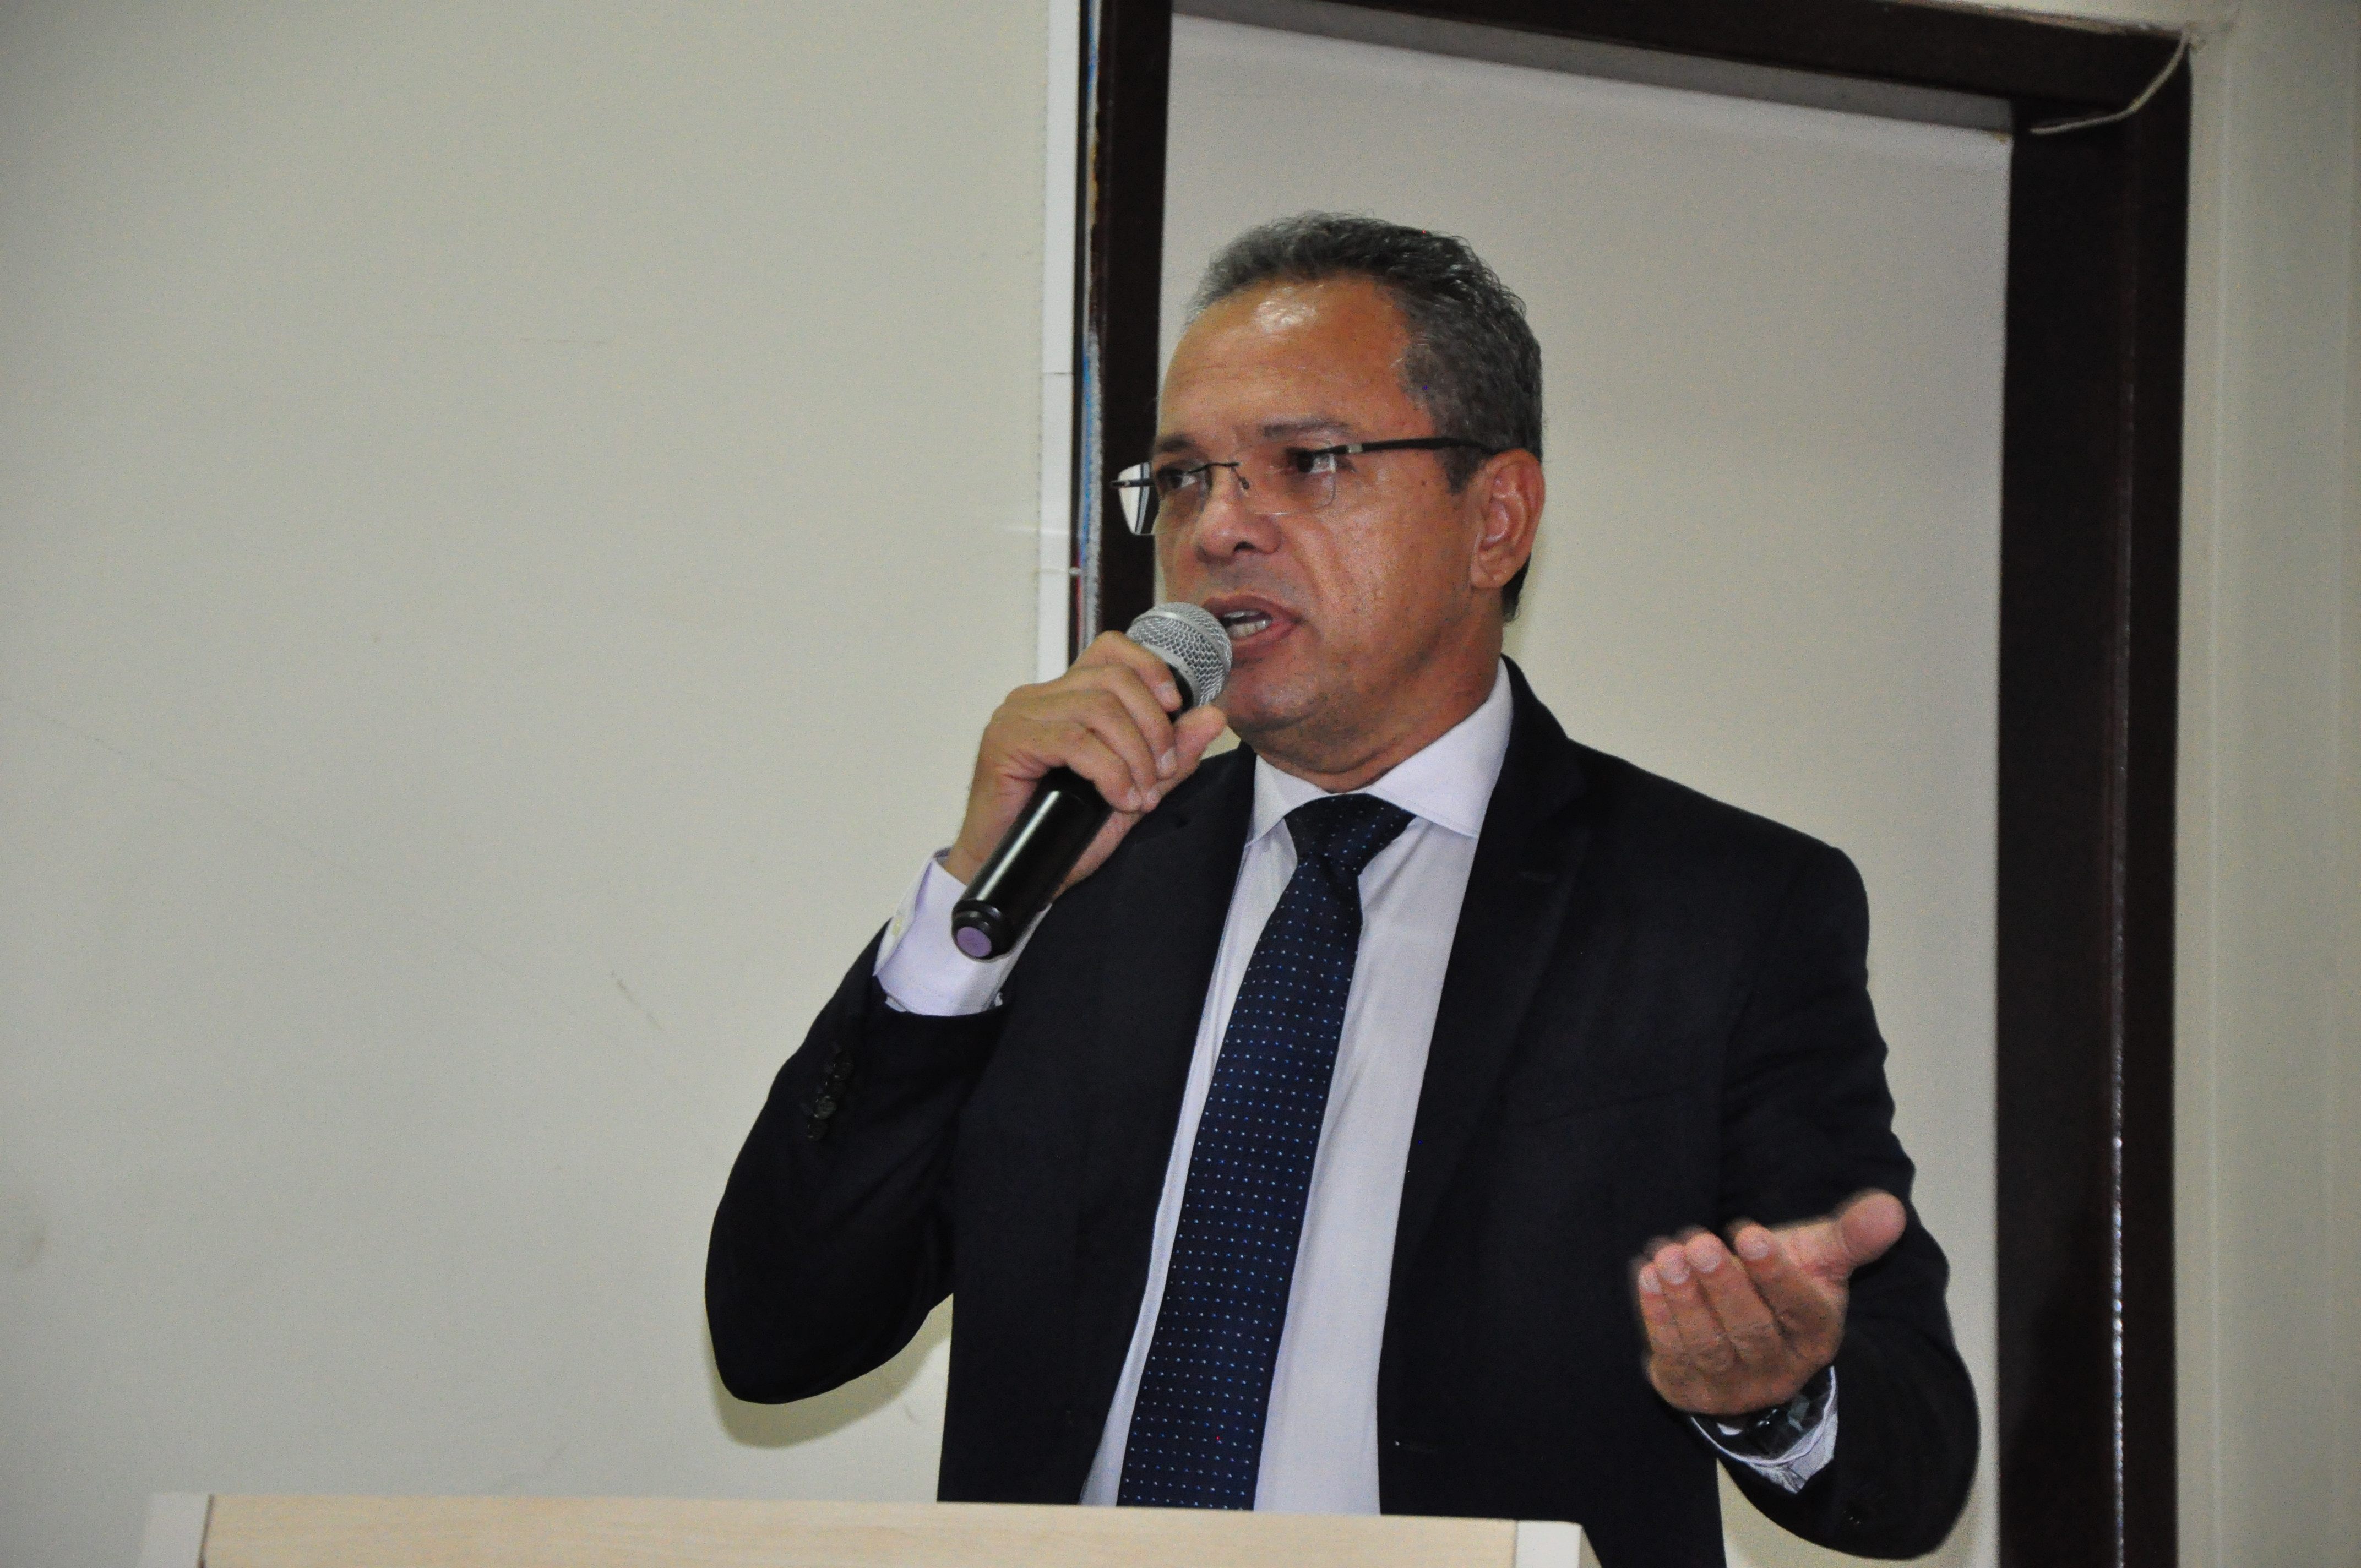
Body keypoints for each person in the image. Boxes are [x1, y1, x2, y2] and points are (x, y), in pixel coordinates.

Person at [707, 214, 1977, 1567]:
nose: (1217, 528)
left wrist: (1774, 1390)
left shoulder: (1719, 911)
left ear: (1495, 519)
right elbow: (782, 1331)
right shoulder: (1076, 883)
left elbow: (1907, 1467)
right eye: (1182, 478)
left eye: (1306, 462)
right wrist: (969, 906)